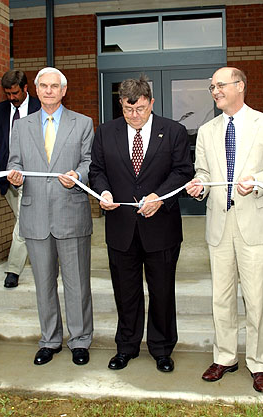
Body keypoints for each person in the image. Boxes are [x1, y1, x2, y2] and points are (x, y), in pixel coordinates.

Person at [186, 67, 263, 393]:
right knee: (222, 297)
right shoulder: (206, 131)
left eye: (220, 85)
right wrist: (198, 185)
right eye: (211, 87)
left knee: (256, 299)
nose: (214, 90)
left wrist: (258, 181)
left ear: (240, 86)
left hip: (254, 224)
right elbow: (203, 173)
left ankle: (259, 364)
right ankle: (226, 357)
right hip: (219, 224)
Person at [89, 76, 193, 373]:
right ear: (121, 105)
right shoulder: (105, 133)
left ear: (152, 103)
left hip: (161, 227)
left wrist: (159, 196)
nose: (135, 116)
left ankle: (161, 348)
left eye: (141, 109)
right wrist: (103, 192)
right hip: (121, 228)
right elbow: (97, 170)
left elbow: (183, 172)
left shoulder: (173, 131)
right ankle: (127, 346)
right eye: (127, 110)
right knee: (126, 291)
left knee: (162, 291)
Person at [6, 67, 94, 367]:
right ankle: (50, 340)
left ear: (64, 90)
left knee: (77, 282)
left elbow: (89, 162)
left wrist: (79, 175)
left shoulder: (83, 123)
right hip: (36, 216)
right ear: (36, 89)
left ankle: (80, 340)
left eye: (54, 86)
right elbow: (14, 162)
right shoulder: (22, 126)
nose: (48, 91)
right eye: (43, 86)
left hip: (71, 212)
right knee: (43, 283)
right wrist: (15, 178)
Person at [0, 69, 41, 288]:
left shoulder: (40, 108)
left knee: (24, 222)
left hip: (35, 178)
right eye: (7, 94)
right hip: (9, 179)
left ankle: (13, 270)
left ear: (25, 88)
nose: (11, 98)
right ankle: (42, 260)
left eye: (15, 93)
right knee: (28, 224)